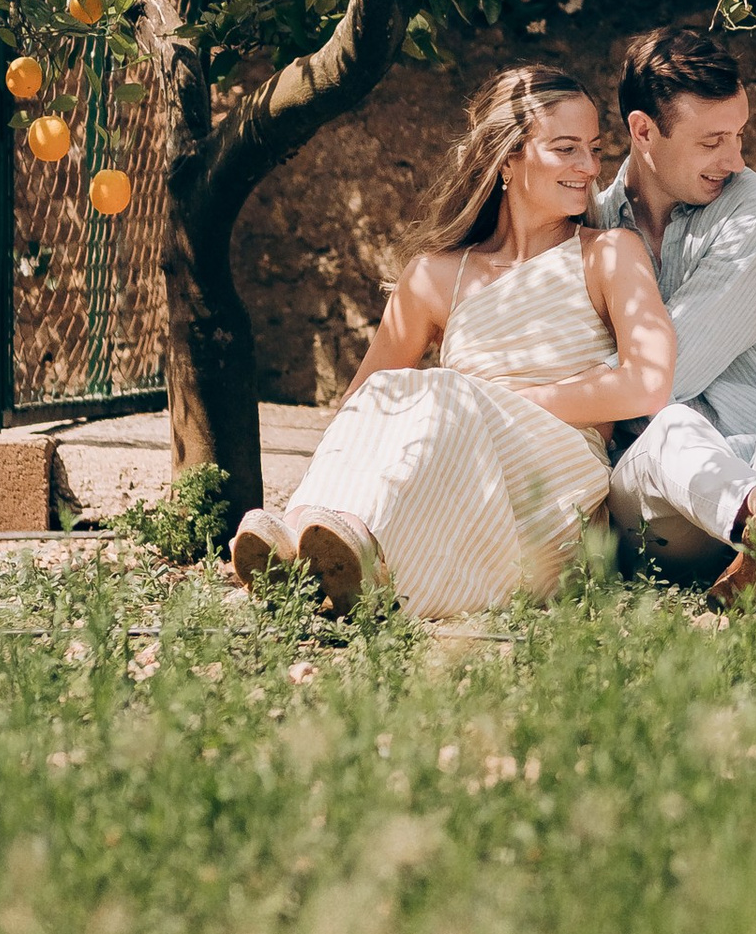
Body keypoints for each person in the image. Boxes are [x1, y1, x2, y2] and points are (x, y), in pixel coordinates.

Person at [228, 63, 675, 618]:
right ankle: (310, 541)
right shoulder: (435, 274)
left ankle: (345, 561)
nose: (589, 167)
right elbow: (363, 407)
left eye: (593, 148)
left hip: (553, 490)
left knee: (448, 393)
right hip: (451, 469)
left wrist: (506, 402)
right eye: (566, 149)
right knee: (393, 391)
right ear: (507, 158)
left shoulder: (609, 253)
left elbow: (648, 384)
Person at [594, 22, 756, 601]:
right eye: (712, 141)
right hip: (669, 507)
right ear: (643, 132)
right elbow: (651, 394)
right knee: (670, 427)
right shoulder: (589, 223)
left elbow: (664, 372)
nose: (735, 159)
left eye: (739, 135)